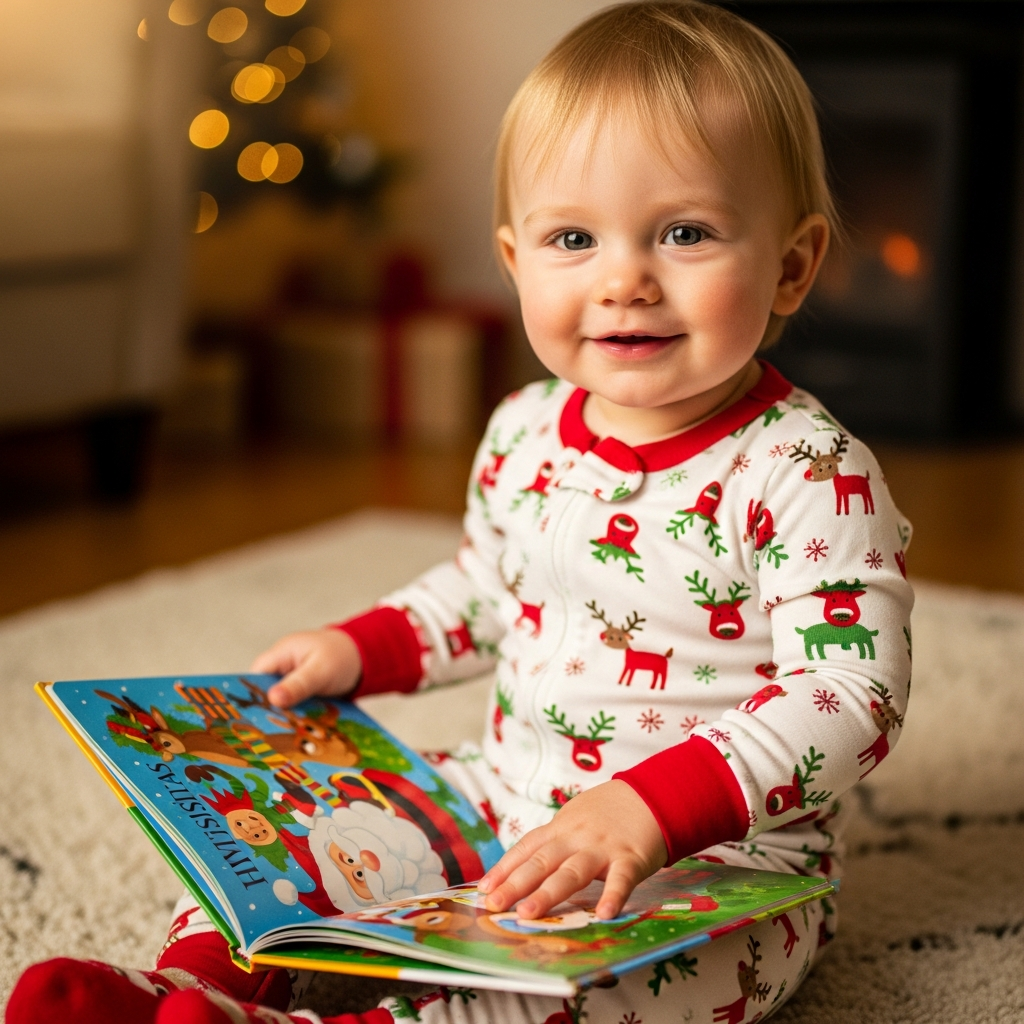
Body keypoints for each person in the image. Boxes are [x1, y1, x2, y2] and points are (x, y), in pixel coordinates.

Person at [8, 3, 914, 1023]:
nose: (624, 277)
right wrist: (362, 647)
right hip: (501, 793)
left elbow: (851, 692)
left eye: (685, 232)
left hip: (716, 860)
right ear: (516, 260)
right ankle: (194, 988)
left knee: (602, 996)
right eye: (573, 237)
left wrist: (648, 809)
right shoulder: (525, 427)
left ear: (792, 265)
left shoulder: (806, 468)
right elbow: (488, 587)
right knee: (279, 839)